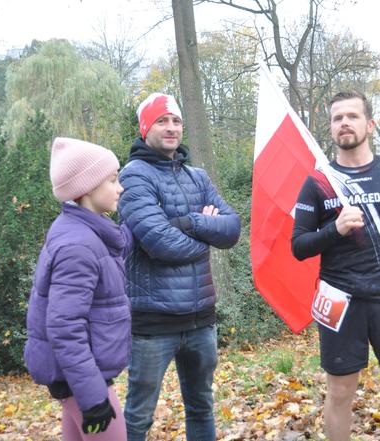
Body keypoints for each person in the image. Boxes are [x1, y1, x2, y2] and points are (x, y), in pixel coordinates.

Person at [291, 91, 380, 441]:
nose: (344, 123)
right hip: (340, 299)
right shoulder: (318, 183)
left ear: (369, 124)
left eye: (352, 116)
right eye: (337, 118)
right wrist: (333, 230)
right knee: (339, 392)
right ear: (331, 128)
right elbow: (299, 247)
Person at [118, 93, 241, 441]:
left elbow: (231, 229)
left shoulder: (198, 177)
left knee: (201, 406)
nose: (171, 128)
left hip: (201, 319)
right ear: (145, 128)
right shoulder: (133, 177)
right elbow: (159, 244)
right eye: (162, 121)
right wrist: (205, 230)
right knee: (138, 416)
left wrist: (184, 222)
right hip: (152, 323)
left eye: (176, 120)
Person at [24, 137, 132, 440]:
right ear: (86, 188)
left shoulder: (83, 231)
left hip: (76, 378)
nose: (119, 187)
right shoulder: (78, 245)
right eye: (112, 180)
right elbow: (65, 326)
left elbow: (112, 253)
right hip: (83, 382)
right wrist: (94, 397)